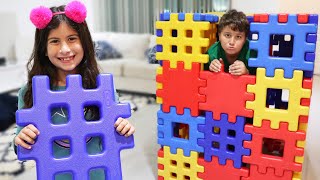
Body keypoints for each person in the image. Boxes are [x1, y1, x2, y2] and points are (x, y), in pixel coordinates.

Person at [13, 1, 134, 179]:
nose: (65, 49)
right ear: (44, 49)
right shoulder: (29, 92)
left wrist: (124, 127)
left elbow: (115, 133)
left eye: (72, 38)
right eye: (54, 41)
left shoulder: (101, 88)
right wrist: (21, 139)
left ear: (84, 43)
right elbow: (20, 146)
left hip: (97, 174)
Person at [204, 9, 256, 75]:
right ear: (219, 35)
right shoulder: (212, 53)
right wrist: (210, 68)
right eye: (227, 35)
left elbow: (261, 78)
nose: (232, 42)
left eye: (238, 37)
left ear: (245, 39)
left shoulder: (252, 54)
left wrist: (247, 72)